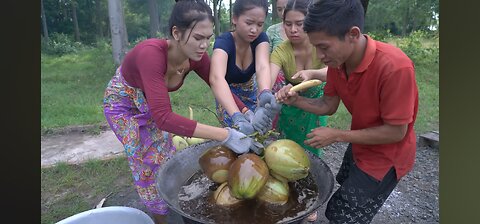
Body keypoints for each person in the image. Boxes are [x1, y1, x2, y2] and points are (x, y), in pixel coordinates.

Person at [102, 0, 258, 223]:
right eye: (198, 38)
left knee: (165, 154)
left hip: (150, 103)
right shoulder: (151, 55)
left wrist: (242, 112)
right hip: (123, 106)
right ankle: (161, 218)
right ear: (176, 32)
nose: (204, 45)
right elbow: (164, 118)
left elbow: (217, 83)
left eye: (208, 38)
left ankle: (168, 202)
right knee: (147, 161)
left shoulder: (196, 56)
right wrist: (226, 134)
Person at [275, 0, 419, 223]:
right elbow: (328, 105)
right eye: (316, 47)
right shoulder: (338, 62)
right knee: (344, 187)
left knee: (343, 215)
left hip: (387, 157)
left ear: (353, 34)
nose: (320, 56)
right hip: (360, 142)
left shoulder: (395, 67)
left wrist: (337, 135)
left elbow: (396, 132)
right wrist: (296, 101)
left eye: (324, 47)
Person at [209, 0, 280, 135]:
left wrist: (264, 92)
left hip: (252, 94)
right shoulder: (224, 42)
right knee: (239, 136)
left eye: (260, 25)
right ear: (234, 19)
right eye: (249, 23)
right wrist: (237, 116)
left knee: (259, 133)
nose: (254, 30)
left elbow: (262, 67)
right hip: (228, 97)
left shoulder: (260, 39)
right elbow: (216, 77)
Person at [270, 0, 328, 157]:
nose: (293, 30)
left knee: (312, 150)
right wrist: (269, 93)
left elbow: (336, 71)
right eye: (288, 24)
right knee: (287, 151)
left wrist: (313, 73)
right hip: (291, 107)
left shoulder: (321, 44)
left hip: (317, 105)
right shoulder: (281, 51)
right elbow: (268, 78)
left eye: (299, 24)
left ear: (309, 22)